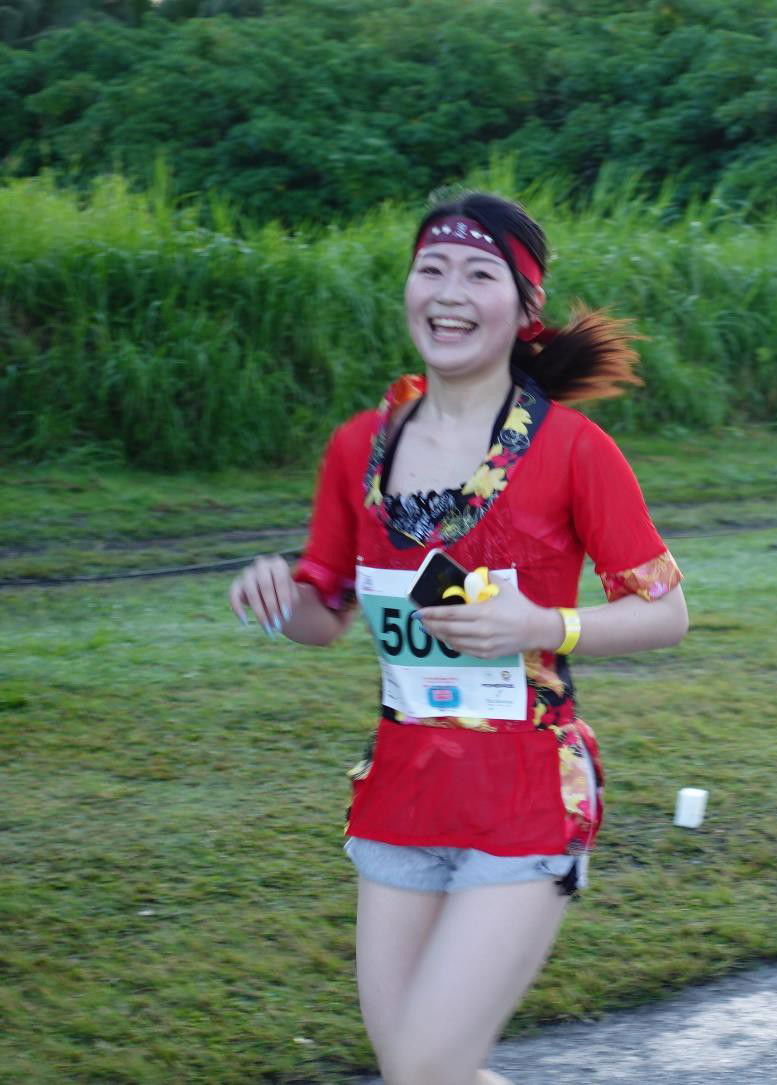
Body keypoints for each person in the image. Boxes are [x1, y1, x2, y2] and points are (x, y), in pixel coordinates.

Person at [227, 192, 688, 1085]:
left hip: (525, 793)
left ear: (524, 313)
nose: (449, 291)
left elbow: (667, 611)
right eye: (431, 268)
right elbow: (323, 617)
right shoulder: (359, 445)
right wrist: (278, 596)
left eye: (480, 275)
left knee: (428, 1068)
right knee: (419, 1070)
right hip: (400, 791)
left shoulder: (573, 450)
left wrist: (543, 625)